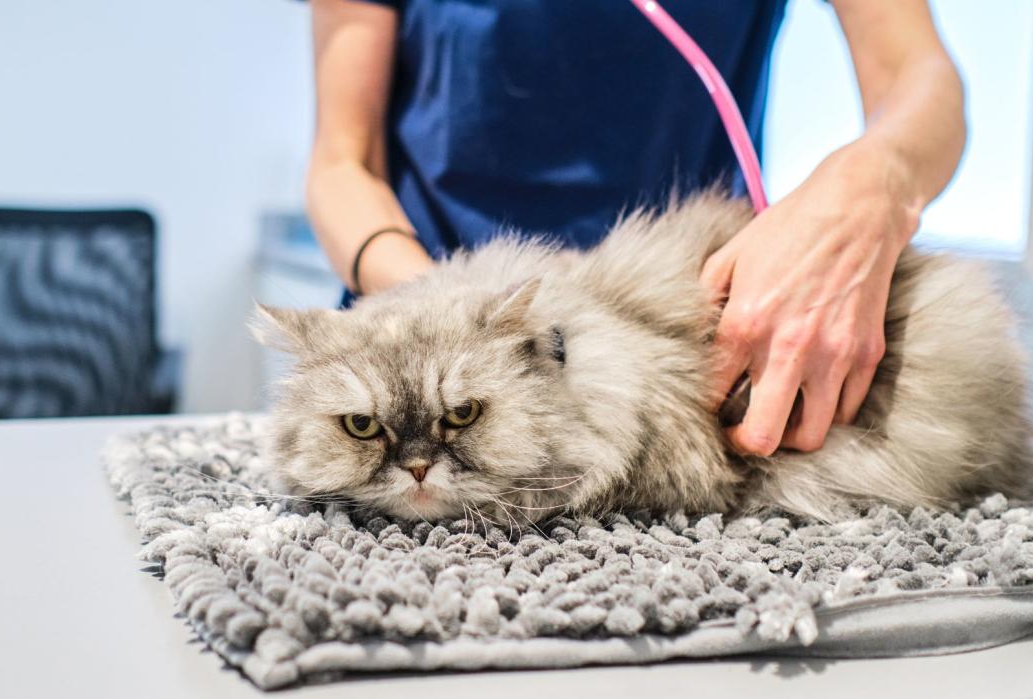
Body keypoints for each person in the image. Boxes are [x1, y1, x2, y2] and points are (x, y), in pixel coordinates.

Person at [304, 0, 966, 458]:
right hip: (433, 339)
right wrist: (447, 322)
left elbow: (921, 79)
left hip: (690, 361)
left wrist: (869, 184)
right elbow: (341, 163)